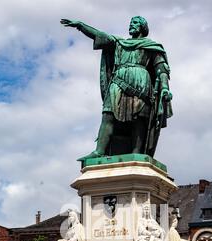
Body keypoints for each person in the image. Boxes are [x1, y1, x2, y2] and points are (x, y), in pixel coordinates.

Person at [61, 16, 173, 158]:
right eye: (131, 22)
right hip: (118, 80)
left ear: (143, 27)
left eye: (136, 23)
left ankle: (136, 152)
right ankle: (99, 151)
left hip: (141, 83)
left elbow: (161, 69)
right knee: (108, 114)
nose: (131, 25)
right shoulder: (119, 43)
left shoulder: (151, 46)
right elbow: (99, 35)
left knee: (139, 118)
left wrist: (164, 88)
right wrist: (81, 25)